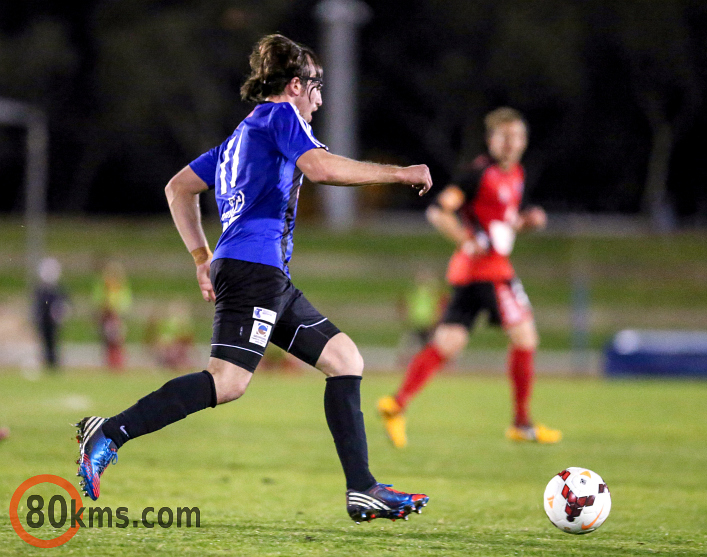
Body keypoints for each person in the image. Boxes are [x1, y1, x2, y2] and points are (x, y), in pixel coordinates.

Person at [75, 34, 432, 523]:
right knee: (226, 382)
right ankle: (110, 433)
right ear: (294, 85)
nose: (320, 99)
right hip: (253, 271)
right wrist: (399, 173)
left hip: (261, 274)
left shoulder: (240, 137)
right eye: (316, 86)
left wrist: (202, 257)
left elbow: (178, 188)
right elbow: (321, 169)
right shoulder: (283, 116)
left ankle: (362, 489)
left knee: (345, 358)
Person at [377, 107, 561, 448]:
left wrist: (526, 222)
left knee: (448, 342)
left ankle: (397, 404)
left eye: (517, 137)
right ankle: (521, 422)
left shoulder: (516, 175)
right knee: (526, 337)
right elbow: (438, 210)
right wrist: (466, 239)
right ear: (491, 140)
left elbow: (499, 223)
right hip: (490, 273)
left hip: (469, 274)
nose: (511, 144)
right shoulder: (478, 174)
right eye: (504, 137)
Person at [92, 259, 132, 370]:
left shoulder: (121, 286)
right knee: (107, 342)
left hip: (117, 317)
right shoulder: (103, 286)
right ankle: (110, 363)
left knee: (118, 341)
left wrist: (117, 311)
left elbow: (125, 302)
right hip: (106, 317)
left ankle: (118, 363)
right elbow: (98, 301)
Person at [33, 257, 69, 370]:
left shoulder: (58, 289)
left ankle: (54, 363)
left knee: (54, 341)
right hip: (44, 319)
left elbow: (65, 302)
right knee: (45, 341)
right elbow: (38, 305)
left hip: (54, 320)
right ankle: (48, 362)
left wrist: (61, 313)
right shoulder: (41, 289)